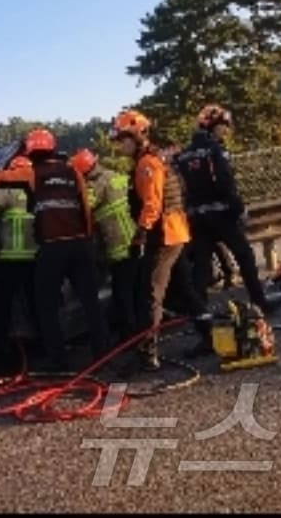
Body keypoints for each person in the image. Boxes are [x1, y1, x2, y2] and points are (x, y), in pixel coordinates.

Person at [0, 129, 106, 370]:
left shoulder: (33, 172)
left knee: (46, 306)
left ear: (31, 152)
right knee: (90, 303)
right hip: (80, 246)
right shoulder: (72, 171)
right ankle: (103, 354)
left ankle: (58, 361)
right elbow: (86, 207)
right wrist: (88, 240)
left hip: (53, 249)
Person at [110, 110, 211, 370]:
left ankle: (147, 355)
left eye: (123, 139)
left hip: (164, 234)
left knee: (150, 294)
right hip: (175, 231)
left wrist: (140, 235)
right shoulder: (154, 158)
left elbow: (152, 204)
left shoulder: (147, 164)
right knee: (185, 289)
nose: (120, 145)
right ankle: (209, 333)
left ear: (138, 136)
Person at [174, 104, 272, 312]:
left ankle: (200, 315)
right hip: (222, 215)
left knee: (201, 266)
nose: (226, 130)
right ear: (212, 126)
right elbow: (226, 182)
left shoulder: (182, 156)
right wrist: (239, 209)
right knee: (244, 256)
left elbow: (181, 189)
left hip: (197, 218)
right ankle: (259, 302)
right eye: (223, 125)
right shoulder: (216, 150)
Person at [70, 148, 140, 342]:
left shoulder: (95, 184)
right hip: (134, 238)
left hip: (119, 245)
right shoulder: (115, 175)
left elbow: (85, 205)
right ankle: (134, 330)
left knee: (122, 293)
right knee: (133, 290)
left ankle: (130, 336)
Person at [0, 156, 40, 349]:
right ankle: (42, 344)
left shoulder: (9, 191)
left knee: (3, 303)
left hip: (10, 257)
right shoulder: (37, 192)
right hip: (33, 257)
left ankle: (0, 344)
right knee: (35, 302)